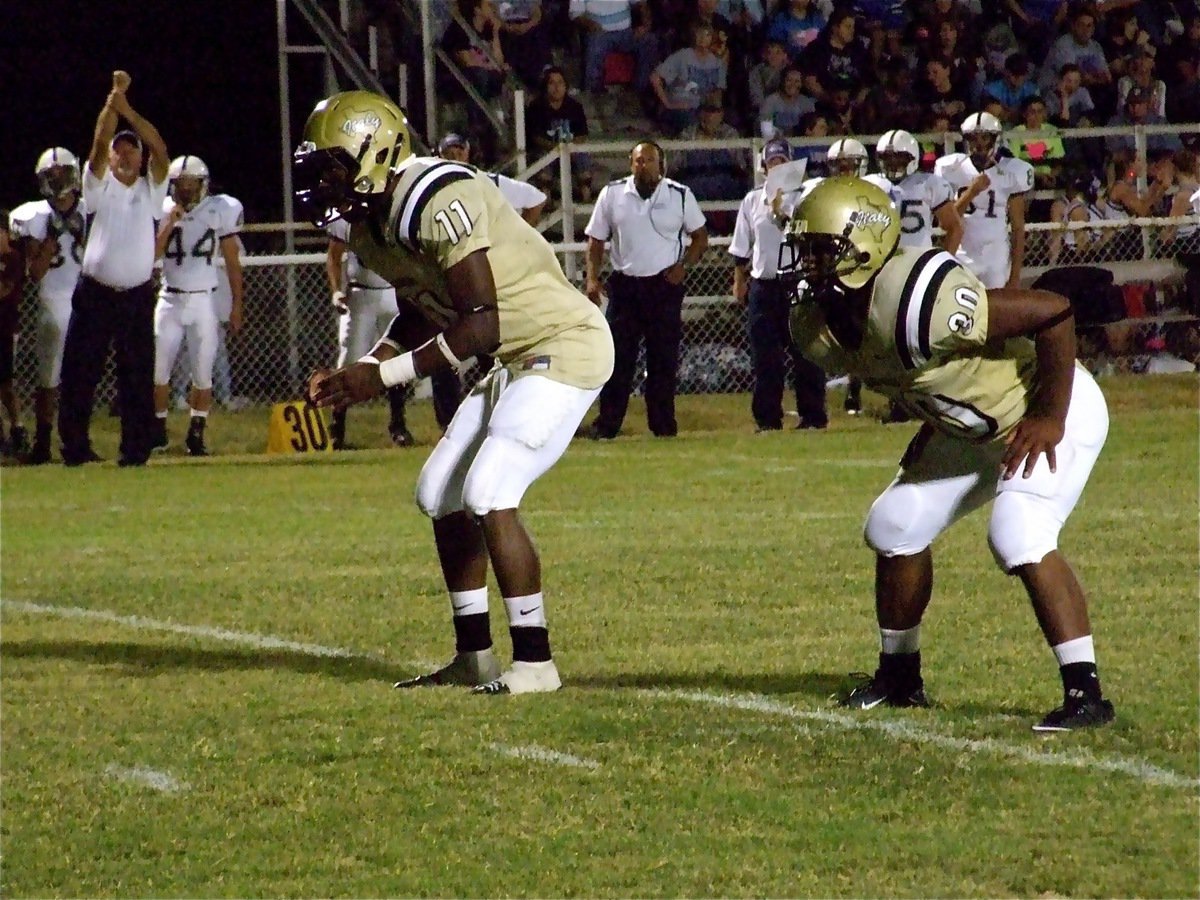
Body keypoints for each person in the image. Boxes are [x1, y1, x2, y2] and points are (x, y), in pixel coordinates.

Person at [294, 90, 613, 694]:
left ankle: (536, 663)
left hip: (564, 343)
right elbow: (425, 309)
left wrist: (382, 379)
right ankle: (474, 656)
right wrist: (366, 363)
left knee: (490, 490)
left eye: (333, 167)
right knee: (439, 495)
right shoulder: (372, 222)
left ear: (374, 154)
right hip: (513, 359)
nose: (325, 184)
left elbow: (479, 324)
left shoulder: (437, 198)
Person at [783, 175, 1114, 732]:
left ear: (864, 244)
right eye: (806, 249)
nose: (809, 263)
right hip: (971, 429)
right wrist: (935, 422)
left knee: (1019, 531)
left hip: (1047, 406)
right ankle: (899, 679)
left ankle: (1087, 694)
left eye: (823, 249)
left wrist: (1050, 417)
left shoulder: (922, 299)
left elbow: (1052, 312)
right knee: (894, 524)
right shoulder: (817, 325)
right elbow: (918, 375)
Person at [59, 70, 169, 467]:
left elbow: (160, 147)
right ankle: (74, 447)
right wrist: (113, 100)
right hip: (96, 293)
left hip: (137, 296)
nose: (124, 155)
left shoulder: (151, 191)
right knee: (80, 373)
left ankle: (135, 451)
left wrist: (129, 110)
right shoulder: (97, 188)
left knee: (136, 377)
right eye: (119, 151)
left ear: (140, 159)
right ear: (111, 158)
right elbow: (98, 141)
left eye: (131, 151)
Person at [582, 140, 708, 439]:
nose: (644, 166)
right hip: (625, 286)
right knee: (618, 360)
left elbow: (700, 237)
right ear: (631, 163)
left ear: (660, 164)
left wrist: (683, 266)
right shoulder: (612, 194)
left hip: (663, 286)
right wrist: (591, 278)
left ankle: (663, 425)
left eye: (649, 160)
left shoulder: (679, 195)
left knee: (663, 359)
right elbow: (595, 240)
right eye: (639, 161)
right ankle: (608, 424)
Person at [325, 211, 461, 448]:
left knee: (396, 358)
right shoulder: (347, 220)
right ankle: (337, 428)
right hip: (360, 295)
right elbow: (334, 256)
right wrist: (337, 291)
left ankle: (398, 424)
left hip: (392, 293)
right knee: (349, 360)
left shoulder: (395, 215)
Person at [728, 138, 827, 432]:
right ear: (764, 166)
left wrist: (782, 214)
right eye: (772, 162)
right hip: (765, 284)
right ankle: (768, 418)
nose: (777, 167)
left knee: (806, 355)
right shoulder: (752, 200)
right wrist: (739, 280)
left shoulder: (805, 198)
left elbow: (808, 237)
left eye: (782, 161)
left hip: (798, 282)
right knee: (765, 357)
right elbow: (742, 246)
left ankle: (812, 416)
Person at [151, 156, 243, 456]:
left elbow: (232, 261)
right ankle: (158, 430)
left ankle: (196, 433)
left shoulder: (219, 209)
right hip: (170, 299)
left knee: (203, 373)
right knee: (159, 371)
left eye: (192, 184)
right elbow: (152, 254)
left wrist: (237, 304)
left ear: (203, 185)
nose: (187, 191)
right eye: (182, 185)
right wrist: (169, 224)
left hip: (204, 300)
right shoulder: (163, 209)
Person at [9, 148, 87, 464]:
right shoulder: (33, 215)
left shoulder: (90, 209)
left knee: (82, 378)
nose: (57, 182)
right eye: (50, 177)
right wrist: (48, 244)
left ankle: (78, 441)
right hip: (52, 298)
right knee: (49, 379)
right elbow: (35, 272)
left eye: (62, 175)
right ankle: (43, 441)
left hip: (85, 302)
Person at [935, 111, 1034, 290]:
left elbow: (1018, 227)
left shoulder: (1011, 171)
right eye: (973, 138)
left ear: (995, 139)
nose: (978, 144)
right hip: (961, 254)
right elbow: (946, 222)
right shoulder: (952, 168)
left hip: (995, 257)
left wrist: (1015, 276)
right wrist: (971, 192)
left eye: (984, 138)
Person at [437, 133, 547, 225]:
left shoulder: (489, 182)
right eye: (449, 155)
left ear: (467, 154)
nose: (455, 159)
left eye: (460, 154)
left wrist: (517, 239)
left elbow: (536, 199)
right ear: (440, 156)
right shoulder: (432, 187)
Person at [523, 65, 595, 202]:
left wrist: (569, 147)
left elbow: (582, 134)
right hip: (547, 149)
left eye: (560, 83)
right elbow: (535, 137)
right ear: (546, 86)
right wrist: (555, 148)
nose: (556, 87)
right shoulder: (536, 107)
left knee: (582, 155)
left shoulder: (575, 106)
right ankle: (546, 198)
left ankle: (586, 194)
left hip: (570, 149)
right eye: (552, 83)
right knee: (544, 157)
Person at [650, 21, 727, 135]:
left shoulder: (717, 62)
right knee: (693, 124)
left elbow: (718, 92)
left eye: (706, 34)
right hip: (681, 107)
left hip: (704, 109)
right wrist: (668, 104)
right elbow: (655, 77)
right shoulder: (683, 56)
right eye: (698, 34)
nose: (702, 38)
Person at [569, 0, 659, 96]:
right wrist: (590, 24)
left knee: (649, 40)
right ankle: (593, 93)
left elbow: (641, 3)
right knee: (595, 46)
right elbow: (575, 15)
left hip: (625, 32)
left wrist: (645, 26)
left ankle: (639, 91)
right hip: (600, 33)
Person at [0, 210, 27, 458]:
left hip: (6, 329)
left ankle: (17, 427)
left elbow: (5, 289)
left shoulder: (14, 259)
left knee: (7, 383)